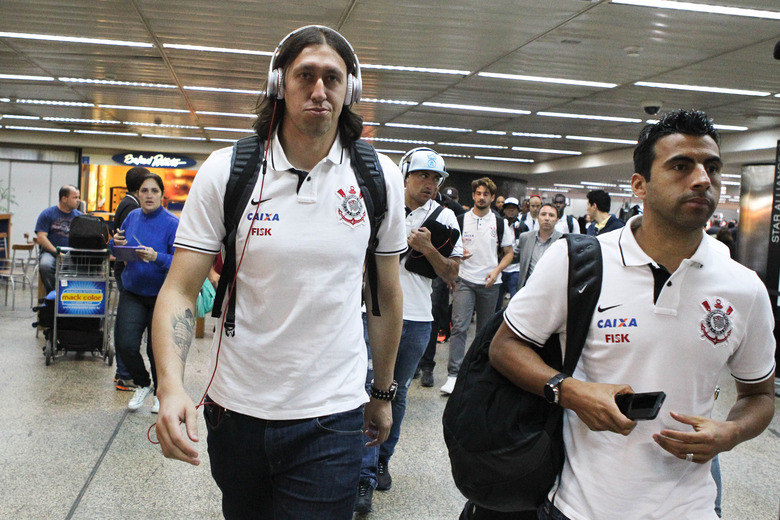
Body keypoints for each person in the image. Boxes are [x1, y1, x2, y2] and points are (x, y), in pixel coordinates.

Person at [151, 25, 406, 520]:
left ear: (348, 91)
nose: (318, 90)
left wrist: (382, 392)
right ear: (278, 85)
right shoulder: (228, 171)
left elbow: (387, 298)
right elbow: (180, 291)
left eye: (332, 78)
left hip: (332, 414)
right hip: (236, 409)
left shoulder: (379, 178)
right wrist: (171, 386)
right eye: (305, 75)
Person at [490, 109, 775, 520]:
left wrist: (730, 432)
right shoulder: (577, 262)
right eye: (681, 166)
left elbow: (759, 395)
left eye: (711, 167)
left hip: (690, 507)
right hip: (579, 505)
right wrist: (567, 390)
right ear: (639, 185)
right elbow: (505, 347)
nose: (702, 179)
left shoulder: (744, 287)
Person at [356, 148, 462, 513]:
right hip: (372, 313)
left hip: (417, 318)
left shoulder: (446, 217)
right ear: (405, 176)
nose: (429, 184)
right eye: (422, 176)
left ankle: (382, 457)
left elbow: (451, 275)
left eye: (435, 179)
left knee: (395, 394)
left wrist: (428, 248)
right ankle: (364, 475)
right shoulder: (382, 205)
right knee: (370, 389)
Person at [111, 173, 178, 413]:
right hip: (133, 291)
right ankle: (142, 383)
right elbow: (116, 249)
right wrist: (115, 243)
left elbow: (178, 261)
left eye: (154, 191)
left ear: (162, 195)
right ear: (137, 194)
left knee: (155, 349)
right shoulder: (131, 217)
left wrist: (156, 257)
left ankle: (161, 392)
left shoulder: (172, 223)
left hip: (161, 296)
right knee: (125, 343)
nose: (149, 195)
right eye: (144, 191)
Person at [441, 177, 512, 395]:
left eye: (486, 194)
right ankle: (453, 375)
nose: (481, 197)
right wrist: (457, 259)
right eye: (478, 193)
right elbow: (449, 248)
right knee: (460, 326)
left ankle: (478, 374)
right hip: (464, 279)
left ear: (492, 197)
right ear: (473, 196)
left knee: (484, 331)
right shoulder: (460, 219)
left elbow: (509, 253)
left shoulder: (500, 223)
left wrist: (496, 271)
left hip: (490, 282)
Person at [112, 166, 149, 391]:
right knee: (126, 325)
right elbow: (127, 243)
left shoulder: (128, 204)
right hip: (128, 272)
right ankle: (124, 374)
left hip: (129, 271)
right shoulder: (131, 207)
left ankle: (125, 374)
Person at [35, 185, 82, 293]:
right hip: (51, 253)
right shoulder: (47, 214)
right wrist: (57, 252)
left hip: (73, 254)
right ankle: (54, 295)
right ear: (64, 199)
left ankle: (70, 295)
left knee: (84, 268)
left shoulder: (80, 217)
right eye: (75, 197)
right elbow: (41, 237)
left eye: (78, 197)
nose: (78, 200)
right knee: (45, 265)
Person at [515, 203, 562, 289]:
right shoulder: (525, 238)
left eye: (551, 215)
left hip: (552, 291)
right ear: (538, 217)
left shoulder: (563, 241)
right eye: (543, 214)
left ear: (557, 220)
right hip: (528, 289)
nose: (547, 218)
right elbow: (513, 257)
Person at [495, 197, 528, 311]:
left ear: (518, 210)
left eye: (513, 209)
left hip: (516, 268)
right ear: (504, 210)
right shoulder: (498, 224)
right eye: (508, 208)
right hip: (500, 268)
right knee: (497, 301)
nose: (511, 211)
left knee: (515, 299)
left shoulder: (523, 227)